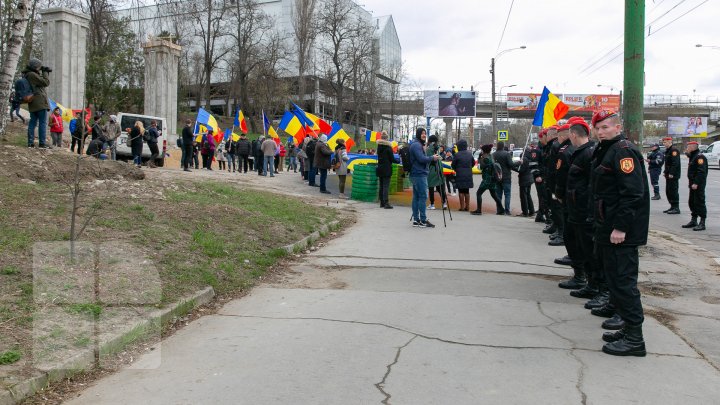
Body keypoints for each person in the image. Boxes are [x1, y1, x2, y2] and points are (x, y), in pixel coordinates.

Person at [589, 110, 650, 357]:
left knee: (624, 284)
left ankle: (636, 340)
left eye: (606, 127)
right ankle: (627, 328)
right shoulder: (607, 149)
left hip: (621, 232)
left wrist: (621, 227)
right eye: (598, 128)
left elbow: (632, 194)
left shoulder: (623, 151)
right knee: (615, 281)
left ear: (617, 127)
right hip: (608, 227)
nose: (601, 131)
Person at [564, 118, 605, 304]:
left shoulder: (589, 153)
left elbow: (592, 185)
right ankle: (590, 284)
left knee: (590, 251)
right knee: (582, 248)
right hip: (577, 209)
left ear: (573, 134)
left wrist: (590, 211)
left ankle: (597, 287)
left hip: (585, 211)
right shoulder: (581, 152)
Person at [409, 128, 440, 228]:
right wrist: (432, 158)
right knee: (423, 197)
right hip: (419, 174)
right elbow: (421, 159)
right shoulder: (416, 145)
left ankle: (416, 220)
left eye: (425, 133)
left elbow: (420, 159)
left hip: (417, 173)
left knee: (417, 197)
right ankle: (422, 220)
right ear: (418, 134)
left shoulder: (417, 144)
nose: (424, 135)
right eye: (422, 133)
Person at [23, 58, 50, 148]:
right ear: (35, 66)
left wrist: (42, 72)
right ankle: (42, 143)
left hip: (33, 102)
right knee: (42, 123)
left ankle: (30, 142)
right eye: (39, 67)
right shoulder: (32, 75)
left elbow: (40, 83)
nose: (39, 68)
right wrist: (45, 72)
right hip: (40, 102)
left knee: (33, 122)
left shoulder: (27, 74)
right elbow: (46, 82)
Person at [681, 141, 708, 231]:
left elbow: (701, 172)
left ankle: (702, 222)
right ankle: (694, 220)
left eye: (688, 147)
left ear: (693, 147)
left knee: (699, 202)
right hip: (692, 184)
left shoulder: (700, 157)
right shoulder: (693, 156)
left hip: (698, 185)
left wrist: (696, 183)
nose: (686, 149)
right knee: (692, 202)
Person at [471, 144, 503, 215]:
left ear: (484, 150)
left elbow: (481, 167)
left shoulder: (485, 158)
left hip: (487, 179)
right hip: (492, 179)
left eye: (482, 150)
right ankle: (501, 209)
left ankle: (479, 210)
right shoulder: (491, 156)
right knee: (494, 195)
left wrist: (479, 158)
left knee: (478, 193)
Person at [451, 139, 474, 211]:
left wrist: (456, 169)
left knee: (461, 191)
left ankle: (462, 207)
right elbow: (473, 163)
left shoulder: (457, 155)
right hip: (468, 174)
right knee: (466, 191)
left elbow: (453, 165)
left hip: (460, 174)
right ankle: (467, 207)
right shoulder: (470, 154)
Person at [492, 141, 514, 215]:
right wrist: (519, 163)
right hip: (506, 177)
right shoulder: (506, 154)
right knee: (507, 194)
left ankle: (499, 210)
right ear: (503, 146)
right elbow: (511, 164)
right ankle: (507, 210)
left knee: (498, 194)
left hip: (497, 177)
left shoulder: (493, 154)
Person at [426, 135, 446, 210]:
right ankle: (444, 203)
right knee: (440, 186)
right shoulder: (437, 148)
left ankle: (432, 204)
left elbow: (427, 158)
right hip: (439, 168)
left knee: (431, 186)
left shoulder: (428, 148)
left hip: (432, 168)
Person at [515, 145, 535, 217]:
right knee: (528, 195)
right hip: (529, 178)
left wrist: (513, 167)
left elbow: (521, 170)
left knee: (523, 196)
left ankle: (525, 212)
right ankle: (532, 211)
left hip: (524, 180)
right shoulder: (531, 158)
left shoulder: (525, 159)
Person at [662, 137, 681, 214]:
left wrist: (671, 173)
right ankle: (672, 206)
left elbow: (675, 163)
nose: (664, 144)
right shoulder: (668, 151)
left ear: (670, 142)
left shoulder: (674, 150)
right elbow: (667, 164)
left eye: (665, 142)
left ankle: (676, 207)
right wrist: (665, 172)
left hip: (673, 175)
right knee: (668, 191)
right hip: (668, 174)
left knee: (673, 191)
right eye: (663, 142)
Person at [376, 132, 395, 208]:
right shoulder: (388, 148)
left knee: (381, 186)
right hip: (387, 168)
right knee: (386, 186)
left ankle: (382, 203)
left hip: (380, 168)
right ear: (386, 138)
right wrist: (398, 160)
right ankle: (386, 203)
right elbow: (392, 159)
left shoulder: (379, 147)